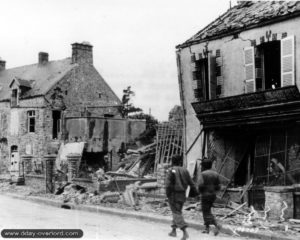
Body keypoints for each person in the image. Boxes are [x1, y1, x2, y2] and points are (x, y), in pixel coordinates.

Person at [165, 155, 198, 240]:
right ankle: (173, 231)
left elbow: (168, 185)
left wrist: (167, 194)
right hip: (182, 194)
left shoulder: (170, 170)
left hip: (173, 195)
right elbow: (192, 183)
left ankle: (184, 232)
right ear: (180, 161)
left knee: (176, 213)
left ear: (172, 161)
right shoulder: (185, 170)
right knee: (177, 212)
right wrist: (197, 193)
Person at [197, 158, 221, 235]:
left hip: (205, 195)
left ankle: (217, 225)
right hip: (213, 195)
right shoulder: (215, 174)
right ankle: (207, 228)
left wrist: (199, 192)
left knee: (206, 212)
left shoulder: (203, 174)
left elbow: (200, 185)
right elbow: (218, 186)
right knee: (207, 210)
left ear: (203, 166)